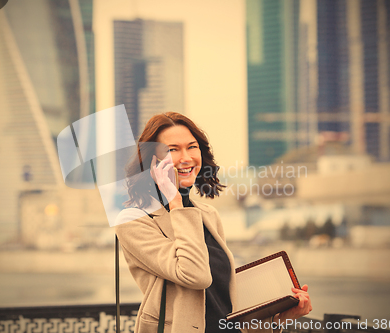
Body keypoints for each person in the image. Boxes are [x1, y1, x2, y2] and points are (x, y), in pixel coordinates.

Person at [115, 112, 312, 333]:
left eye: (192, 146)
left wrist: (277, 318)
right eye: (172, 149)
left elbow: (225, 306)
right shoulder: (134, 219)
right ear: (152, 162)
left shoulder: (207, 214)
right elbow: (194, 275)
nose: (186, 157)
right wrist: (176, 203)